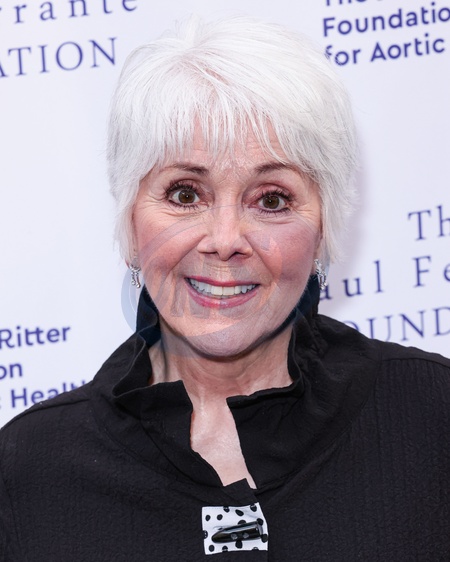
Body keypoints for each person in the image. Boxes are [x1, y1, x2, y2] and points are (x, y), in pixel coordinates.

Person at [1, 16, 449, 561]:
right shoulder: (26, 471)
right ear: (130, 225)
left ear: (323, 229)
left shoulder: (434, 415)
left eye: (272, 200)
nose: (225, 240)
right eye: (186, 194)